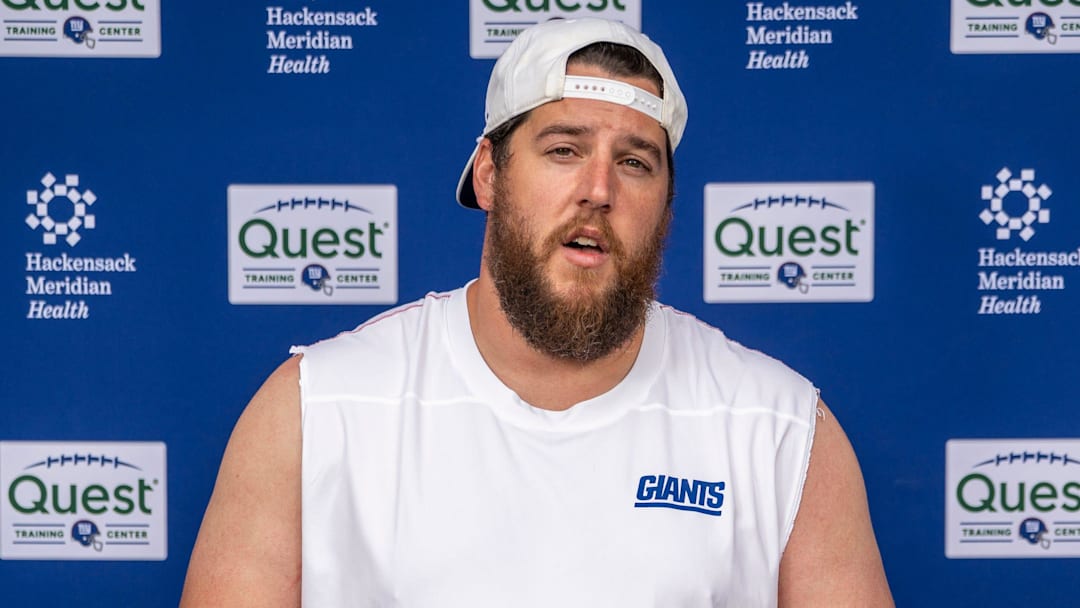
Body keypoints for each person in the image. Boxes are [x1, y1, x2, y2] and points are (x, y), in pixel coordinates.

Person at [181, 18, 893, 607]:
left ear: (667, 204)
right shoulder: (315, 408)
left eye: (636, 162)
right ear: (489, 173)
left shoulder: (780, 430)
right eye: (563, 149)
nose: (598, 189)